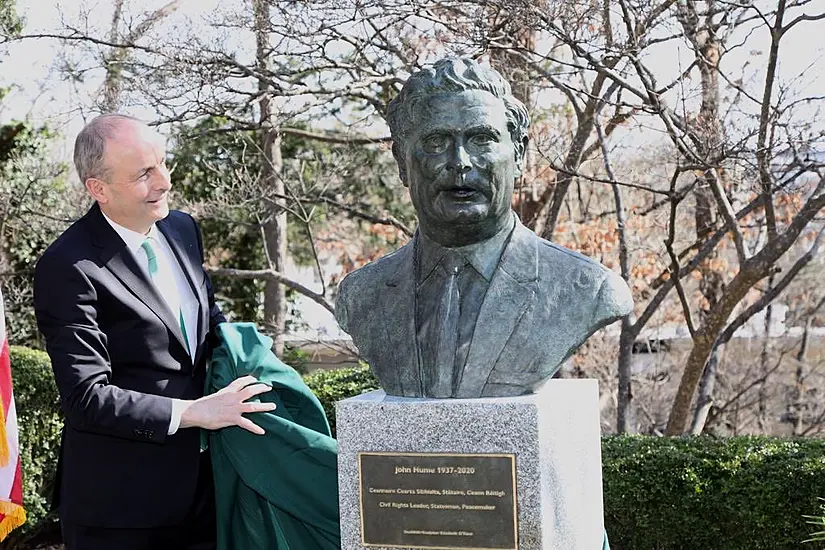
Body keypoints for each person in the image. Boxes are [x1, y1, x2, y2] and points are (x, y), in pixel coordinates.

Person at [33, 114, 276, 550]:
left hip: (205, 496)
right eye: (144, 173)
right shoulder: (67, 267)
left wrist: (251, 357)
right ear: (98, 189)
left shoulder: (182, 228)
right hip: (119, 512)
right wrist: (192, 412)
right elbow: (86, 398)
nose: (164, 182)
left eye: (164, 163)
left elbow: (205, 323)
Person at [335, 58, 633, 398]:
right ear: (403, 161)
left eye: (481, 139)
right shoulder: (362, 295)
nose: (460, 161)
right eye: (436, 142)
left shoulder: (588, 290)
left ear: (518, 154)